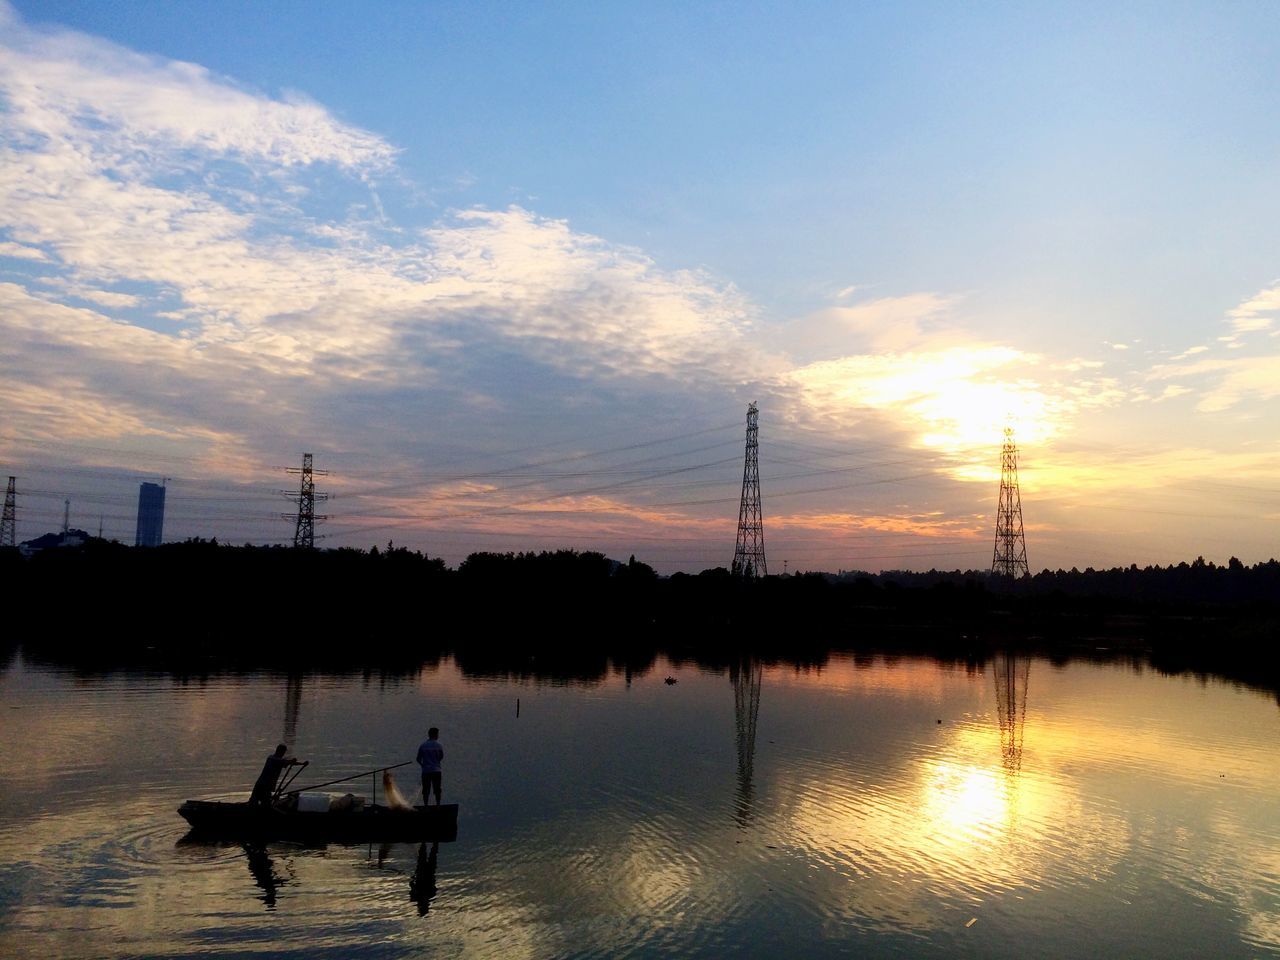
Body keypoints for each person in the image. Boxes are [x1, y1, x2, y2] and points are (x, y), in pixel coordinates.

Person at [416, 727, 444, 806]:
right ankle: (438, 805)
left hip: (426, 771)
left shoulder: (423, 745)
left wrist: (423, 765)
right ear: (435, 735)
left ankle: (426, 805)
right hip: (436, 770)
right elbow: (441, 756)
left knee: (426, 790)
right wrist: (436, 762)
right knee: (437, 789)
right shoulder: (439, 745)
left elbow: (418, 759)